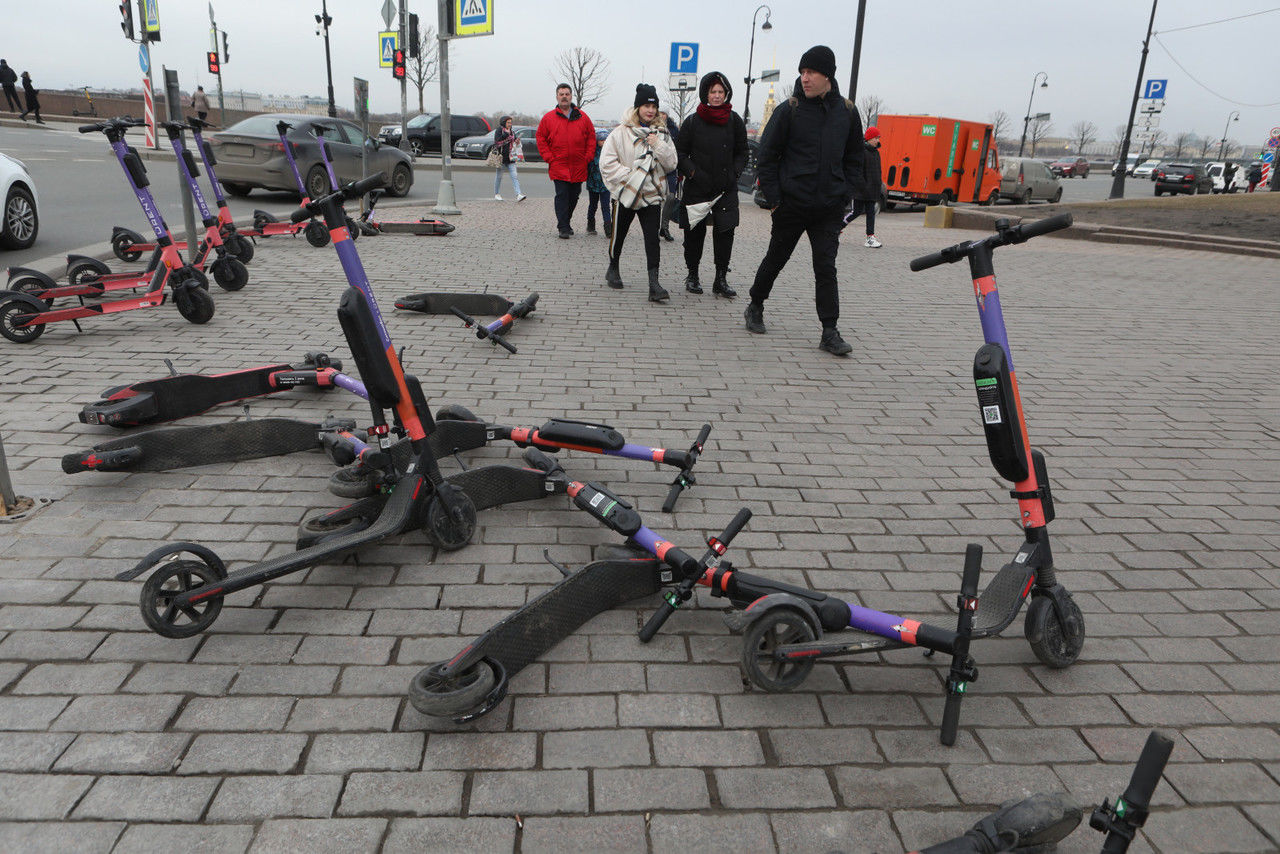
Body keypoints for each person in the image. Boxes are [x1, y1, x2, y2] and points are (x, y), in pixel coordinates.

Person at [745, 46, 863, 356]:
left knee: (826, 268)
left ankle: (829, 330)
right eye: (802, 72)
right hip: (791, 205)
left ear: (828, 75)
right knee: (776, 259)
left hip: (828, 208)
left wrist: (844, 196)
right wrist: (775, 200)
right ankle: (755, 304)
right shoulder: (790, 109)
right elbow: (766, 157)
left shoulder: (847, 112)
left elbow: (855, 159)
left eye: (810, 72)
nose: (804, 78)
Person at [599, 83, 678, 303]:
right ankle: (613, 267)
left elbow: (672, 163)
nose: (650, 110)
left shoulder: (662, 133)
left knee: (652, 239)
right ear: (637, 108)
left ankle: (654, 284)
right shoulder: (620, 132)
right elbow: (606, 163)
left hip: (651, 195)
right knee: (619, 235)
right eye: (646, 106)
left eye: (654, 106)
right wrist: (630, 177)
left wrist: (659, 145)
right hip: (626, 193)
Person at [674, 70, 747, 297]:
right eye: (713, 91)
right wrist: (693, 172)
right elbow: (680, 152)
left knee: (725, 234)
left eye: (720, 92)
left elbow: (742, 152)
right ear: (706, 93)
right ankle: (693, 275)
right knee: (694, 234)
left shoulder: (734, 121)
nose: (716, 95)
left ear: (726, 94)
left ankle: (721, 279)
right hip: (698, 187)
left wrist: (734, 172)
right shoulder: (693, 121)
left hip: (725, 188)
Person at [536, 83, 596, 239]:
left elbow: (591, 137)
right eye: (561, 94)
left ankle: (566, 222)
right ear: (557, 97)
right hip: (559, 166)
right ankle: (563, 227)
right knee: (562, 196)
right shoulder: (548, 118)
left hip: (579, 165)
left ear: (571, 96)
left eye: (567, 94)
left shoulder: (583, 117)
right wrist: (549, 158)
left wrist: (588, 157)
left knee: (574, 196)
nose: (564, 96)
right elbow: (541, 138)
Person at [843, 126, 885, 248]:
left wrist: (878, 184)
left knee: (871, 213)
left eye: (878, 138)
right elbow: (857, 172)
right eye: (876, 138)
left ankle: (870, 237)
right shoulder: (861, 152)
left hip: (872, 190)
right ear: (869, 138)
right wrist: (862, 186)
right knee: (855, 212)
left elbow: (878, 171)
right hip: (860, 191)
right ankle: (837, 229)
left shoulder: (876, 153)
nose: (878, 140)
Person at [491, 116, 526, 202]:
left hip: (511, 157)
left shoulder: (512, 132)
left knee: (514, 176)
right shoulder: (499, 131)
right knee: (499, 176)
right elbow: (497, 143)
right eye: (508, 122)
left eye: (511, 122)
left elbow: (514, 143)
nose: (510, 124)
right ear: (503, 122)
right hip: (501, 157)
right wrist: (508, 139)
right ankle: (497, 194)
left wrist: (516, 141)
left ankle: (518, 194)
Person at [585, 128, 613, 237]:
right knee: (593, 205)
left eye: (606, 140)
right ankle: (590, 225)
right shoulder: (592, 152)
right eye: (601, 140)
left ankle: (608, 229)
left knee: (606, 206)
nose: (604, 142)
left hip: (605, 184)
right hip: (593, 184)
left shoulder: (610, 152)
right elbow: (587, 165)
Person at [658, 114, 681, 241]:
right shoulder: (651, 127)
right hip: (656, 168)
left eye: (664, 113)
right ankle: (654, 228)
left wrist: (681, 170)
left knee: (671, 197)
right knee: (655, 199)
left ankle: (664, 227)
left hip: (672, 168)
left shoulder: (674, 130)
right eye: (659, 112)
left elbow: (679, 150)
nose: (661, 116)